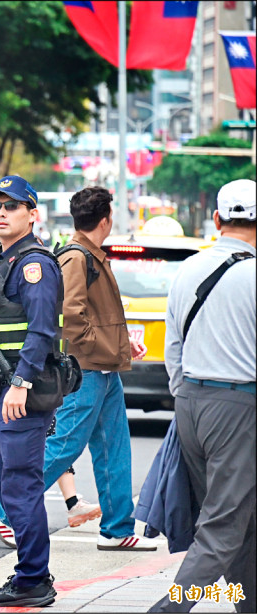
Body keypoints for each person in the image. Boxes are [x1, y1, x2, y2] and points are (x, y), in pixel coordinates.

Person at [0, 186, 156, 555]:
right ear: (106, 220)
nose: (1, 211)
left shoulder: (91, 254)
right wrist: (113, 347)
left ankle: (117, 528)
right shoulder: (77, 257)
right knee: (64, 444)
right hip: (87, 369)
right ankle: (4, 512)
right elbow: (73, 319)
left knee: (114, 449)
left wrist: (121, 345)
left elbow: (94, 316)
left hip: (104, 368)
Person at [149, 179, 256, 614]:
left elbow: (172, 347)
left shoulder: (188, 270)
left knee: (243, 522)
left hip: (191, 402)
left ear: (217, 219)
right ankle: (168, 609)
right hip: (239, 405)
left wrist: (184, 395)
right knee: (225, 524)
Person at [0, 175, 61, 608]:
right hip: (5, 391)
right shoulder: (4, 260)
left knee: (19, 486)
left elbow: (42, 329)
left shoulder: (34, 264)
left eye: (12, 206)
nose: (1, 213)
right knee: (12, 483)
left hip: (22, 394)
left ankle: (32, 578)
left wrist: (20, 384)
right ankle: (33, 574)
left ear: (33, 214)